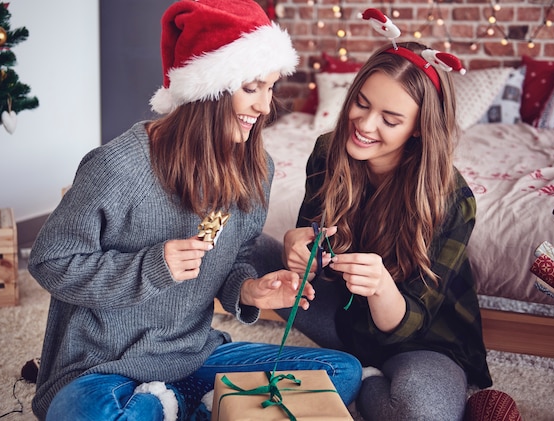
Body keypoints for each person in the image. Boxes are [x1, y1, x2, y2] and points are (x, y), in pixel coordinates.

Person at [27, 1, 362, 420]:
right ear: (210, 89)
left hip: (192, 355)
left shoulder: (257, 168)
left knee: (341, 372)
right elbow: (49, 261)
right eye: (252, 87)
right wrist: (150, 268)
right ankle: (199, 404)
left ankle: (178, 401)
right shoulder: (118, 166)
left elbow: (236, 257)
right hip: (105, 364)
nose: (265, 107)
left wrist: (248, 290)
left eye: (271, 87)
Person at [278, 30, 493, 421]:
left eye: (390, 120)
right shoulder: (329, 151)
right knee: (248, 249)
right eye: (361, 104)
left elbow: (407, 324)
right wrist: (297, 247)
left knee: (422, 413)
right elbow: (313, 252)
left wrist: (380, 287)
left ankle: (360, 378)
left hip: (423, 343)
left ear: (418, 129)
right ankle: (347, 366)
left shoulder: (451, 200)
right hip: (344, 317)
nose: (364, 124)